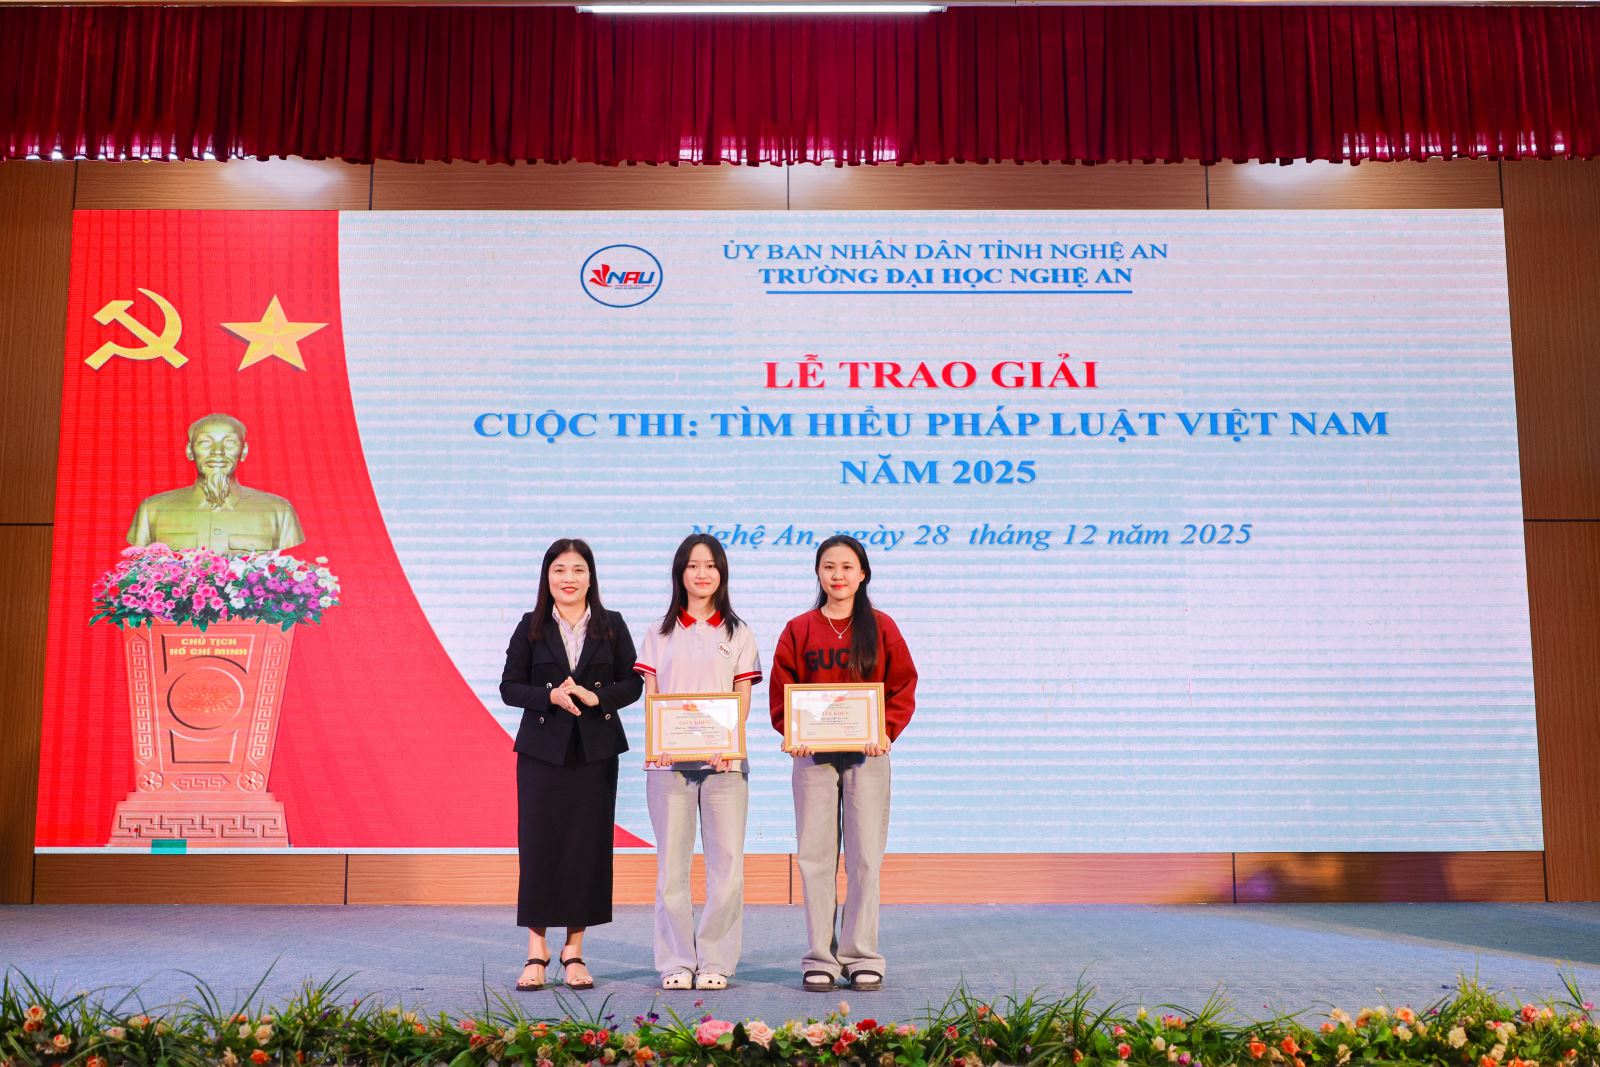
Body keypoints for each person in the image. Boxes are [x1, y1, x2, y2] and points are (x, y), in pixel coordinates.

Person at [769, 534, 917, 993]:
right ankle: (820, 957)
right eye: (829, 567)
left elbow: (903, 686)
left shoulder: (882, 627)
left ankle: (861, 955)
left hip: (868, 757)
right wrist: (791, 732)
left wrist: (885, 731)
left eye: (847, 567)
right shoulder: (799, 628)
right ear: (818, 573)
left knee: (865, 858)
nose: (838, 575)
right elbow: (782, 689)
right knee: (815, 858)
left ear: (863, 574)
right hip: (812, 758)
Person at [500, 538, 642, 992]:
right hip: (542, 751)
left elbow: (633, 683)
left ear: (590, 576)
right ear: (547, 577)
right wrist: (550, 696)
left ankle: (575, 950)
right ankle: (536, 950)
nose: (569, 578)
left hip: (594, 751)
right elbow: (509, 687)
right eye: (560, 570)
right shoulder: (530, 626)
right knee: (540, 845)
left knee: (587, 848)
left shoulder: (611, 624)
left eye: (578, 569)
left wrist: (596, 697)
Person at [634, 534, 762, 991]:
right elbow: (653, 697)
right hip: (668, 766)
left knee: (727, 869)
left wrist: (727, 743)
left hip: (725, 765)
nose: (702, 573)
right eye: (692, 565)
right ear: (680, 573)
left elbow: (741, 699)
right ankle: (675, 962)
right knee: (672, 868)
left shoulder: (738, 632)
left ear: (722, 573)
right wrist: (660, 741)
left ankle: (715, 962)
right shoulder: (658, 632)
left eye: (710, 565)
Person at [127, 412, 304, 553]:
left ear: (244, 451)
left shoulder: (278, 511)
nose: (217, 451)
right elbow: (138, 572)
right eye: (205, 442)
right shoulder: (153, 510)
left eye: (230, 443)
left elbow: (289, 576)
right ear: (189, 451)